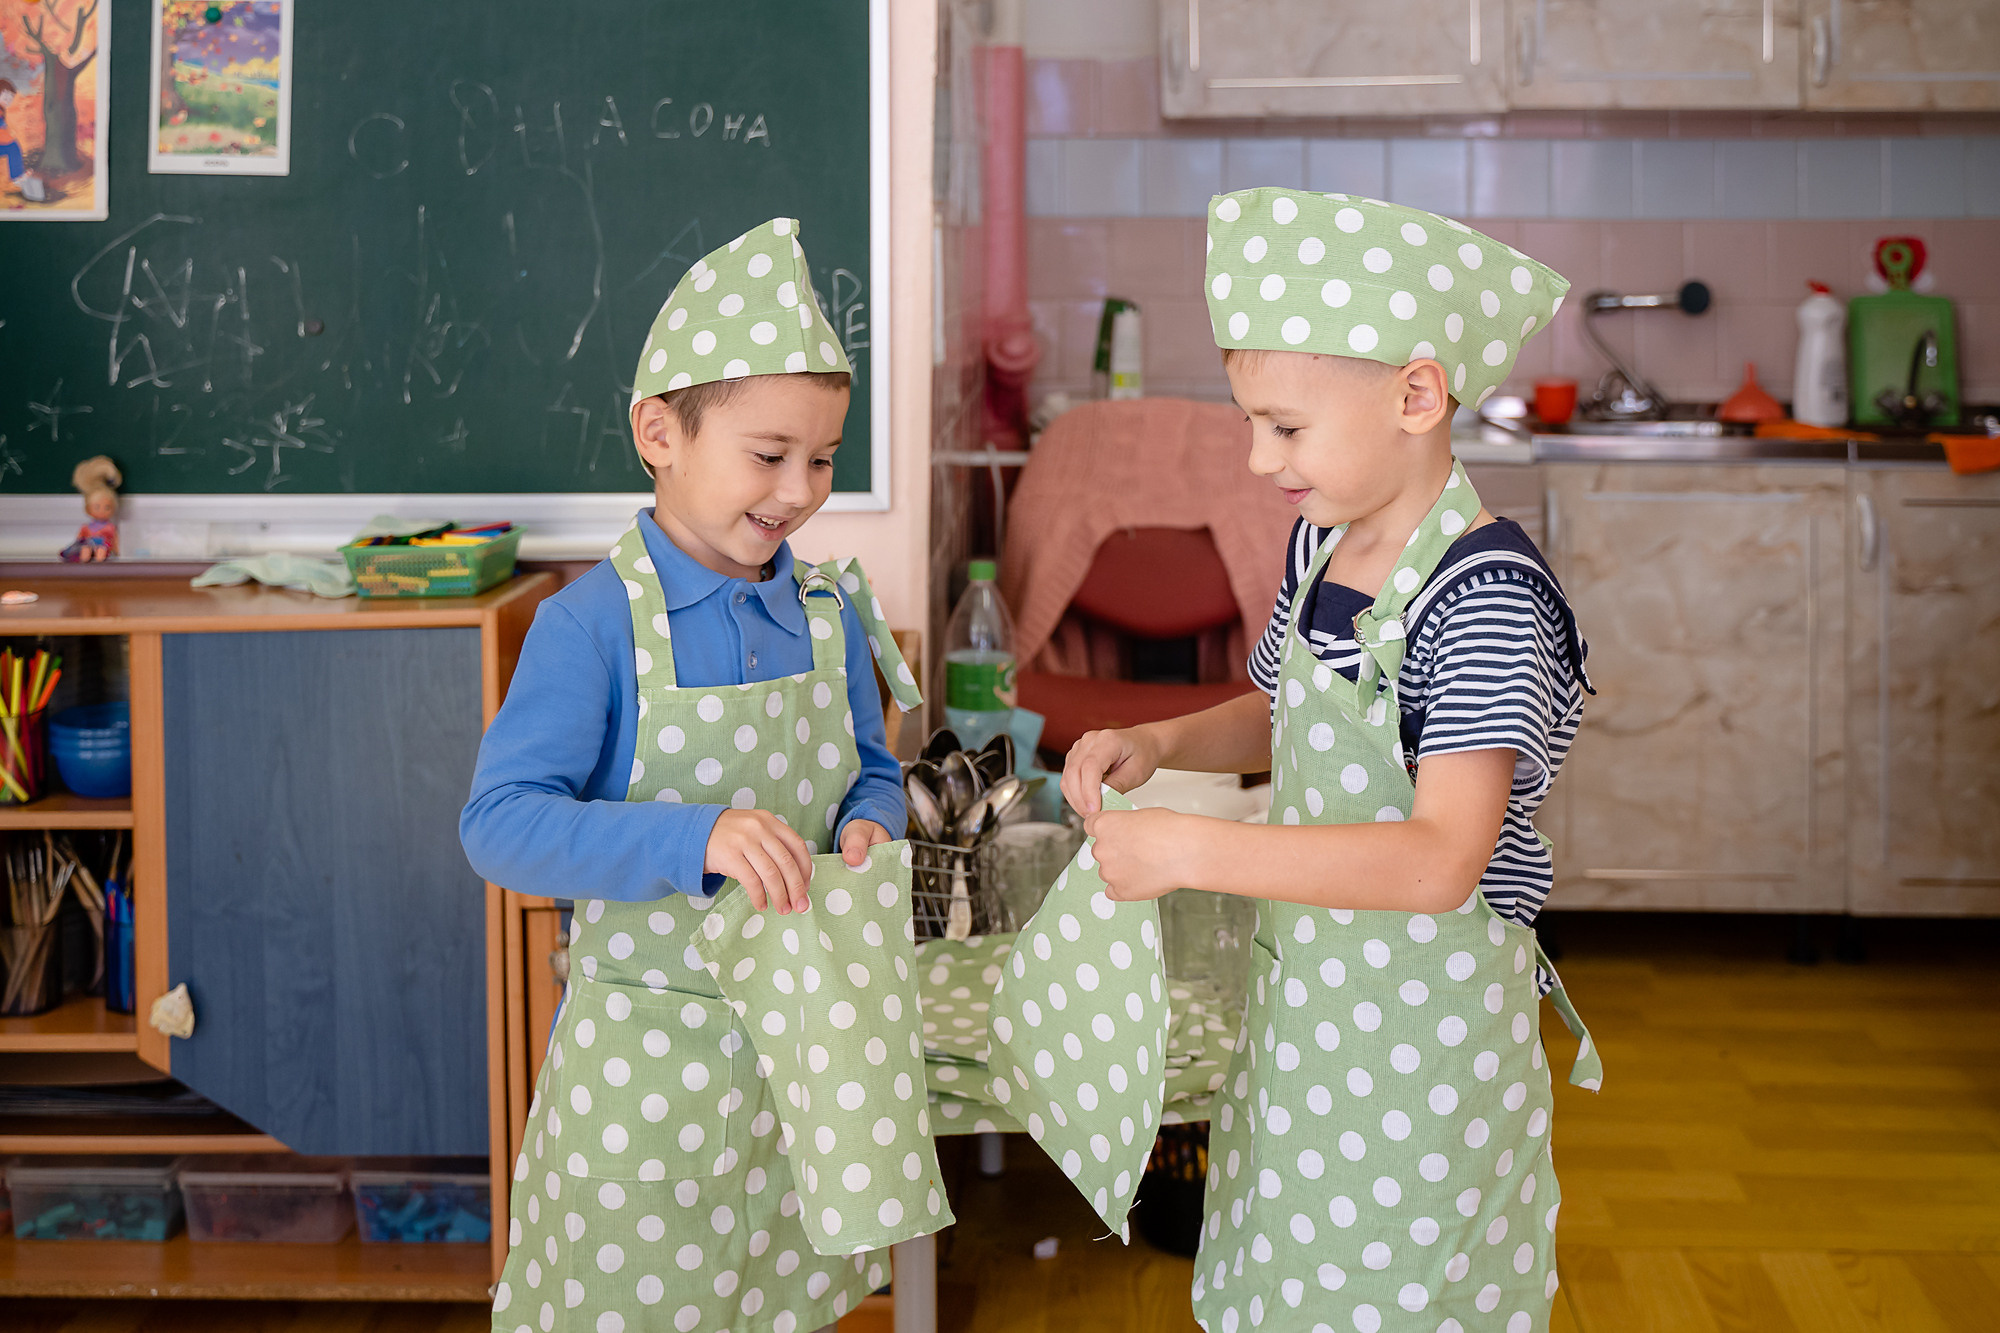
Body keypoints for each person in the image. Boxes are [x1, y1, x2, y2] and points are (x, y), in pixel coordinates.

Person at [1060, 188, 1603, 1332]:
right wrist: (1153, 744)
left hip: (1422, 1040)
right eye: (1249, 421)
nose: (1257, 460)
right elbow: (1278, 704)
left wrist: (1193, 849)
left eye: (1285, 426)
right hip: (1308, 1011)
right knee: (1292, 1281)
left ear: (1414, 395)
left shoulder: (1484, 597)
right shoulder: (1323, 539)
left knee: (1400, 1295)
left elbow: (1436, 861)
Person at [463, 217, 920, 1333]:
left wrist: (870, 823)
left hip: (799, 1061)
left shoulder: (822, 610)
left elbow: (868, 766)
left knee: (779, 1306)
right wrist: (694, 836)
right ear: (657, 431)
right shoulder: (591, 627)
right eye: (769, 456)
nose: (801, 489)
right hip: (648, 1083)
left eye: (822, 458)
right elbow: (500, 824)